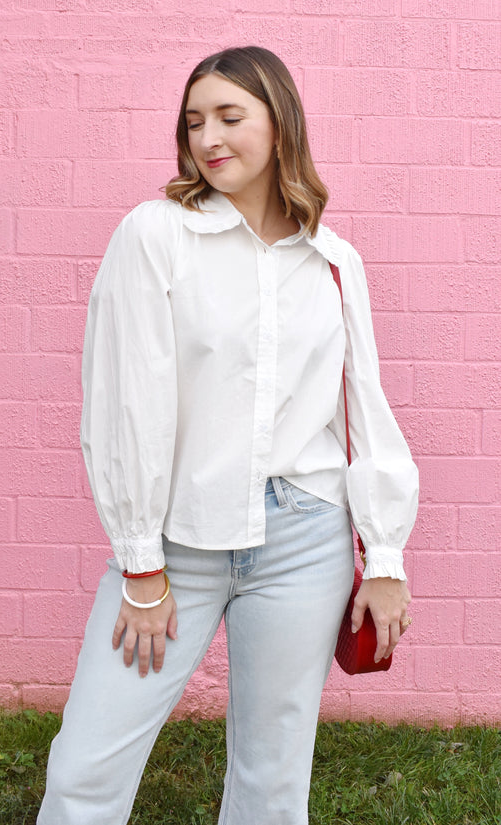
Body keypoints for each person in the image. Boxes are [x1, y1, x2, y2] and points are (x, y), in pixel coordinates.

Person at [37, 46, 418, 825]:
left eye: (230, 116)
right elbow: (124, 405)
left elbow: (363, 407)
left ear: (281, 125)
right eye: (193, 121)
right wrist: (141, 565)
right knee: (87, 766)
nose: (208, 137)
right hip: (179, 539)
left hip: (305, 537)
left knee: (274, 780)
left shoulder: (334, 260)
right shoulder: (156, 235)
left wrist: (384, 557)